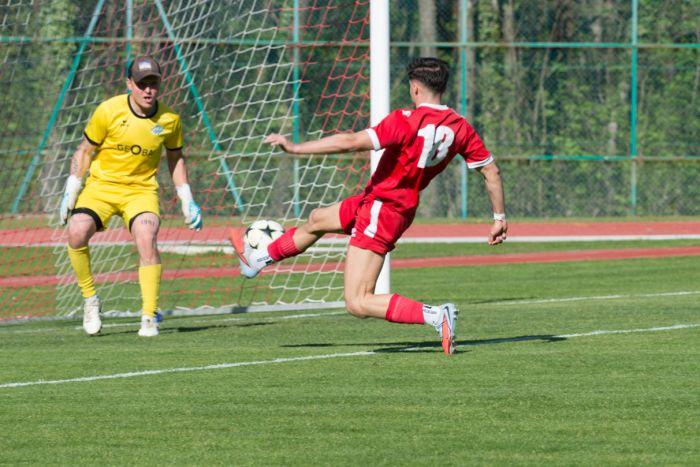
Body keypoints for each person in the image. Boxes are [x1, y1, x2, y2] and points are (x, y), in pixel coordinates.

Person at [231, 57, 506, 355]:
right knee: (318, 219)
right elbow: (491, 171)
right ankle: (258, 260)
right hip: (386, 204)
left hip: (382, 209)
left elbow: (350, 142)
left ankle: (436, 315)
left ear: (415, 88)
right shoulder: (460, 127)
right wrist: (499, 218)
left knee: (358, 301)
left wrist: (296, 148)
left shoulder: (405, 120)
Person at [59, 56, 203, 337]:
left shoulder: (170, 120)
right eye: (141, 84)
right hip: (101, 187)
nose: (148, 90)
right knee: (76, 231)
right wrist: (72, 188)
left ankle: (149, 316)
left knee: (146, 236)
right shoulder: (108, 110)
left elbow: (176, 158)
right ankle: (90, 299)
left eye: (153, 83)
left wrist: (187, 198)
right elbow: (85, 150)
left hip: (140, 191)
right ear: (129, 84)